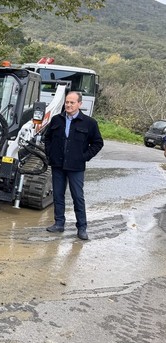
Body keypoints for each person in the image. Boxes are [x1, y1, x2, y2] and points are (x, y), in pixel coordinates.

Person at [43, 91, 104, 241]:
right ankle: (59, 223)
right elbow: (47, 138)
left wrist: (84, 157)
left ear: (80, 104)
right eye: (67, 102)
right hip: (58, 164)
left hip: (76, 167)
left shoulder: (89, 123)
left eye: (72, 102)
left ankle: (82, 228)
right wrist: (50, 153)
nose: (69, 105)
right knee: (58, 195)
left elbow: (97, 143)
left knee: (78, 196)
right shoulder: (57, 120)